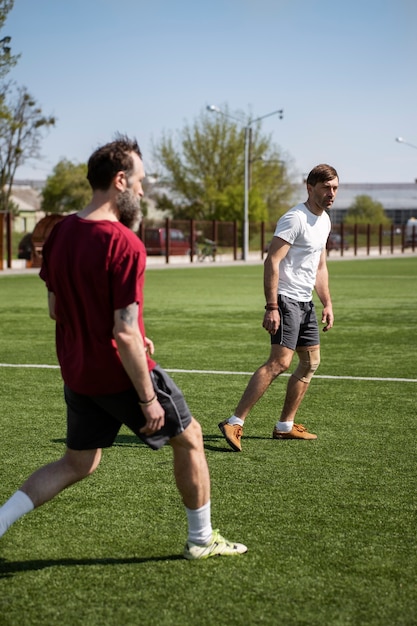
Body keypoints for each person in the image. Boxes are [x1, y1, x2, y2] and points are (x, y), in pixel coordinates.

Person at [0, 135, 247, 560]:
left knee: (78, 463)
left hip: (78, 372)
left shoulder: (59, 235)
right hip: (120, 372)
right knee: (189, 438)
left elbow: (57, 310)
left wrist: (121, 331)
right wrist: (148, 398)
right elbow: (124, 332)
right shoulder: (124, 243)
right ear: (119, 180)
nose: (142, 190)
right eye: (139, 181)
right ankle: (202, 540)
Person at [219, 164, 338, 452]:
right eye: (326, 188)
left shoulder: (325, 221)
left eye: (335, 187)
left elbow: (320, 266)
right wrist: (271, 306)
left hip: (306, 302)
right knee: (279, 363)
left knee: (310, 363)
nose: (331, 193)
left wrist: (328, 302)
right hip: (285, 299)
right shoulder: (294, 218)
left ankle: (285, 426)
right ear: (310, 188)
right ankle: (234, 422)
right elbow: (272, 260)